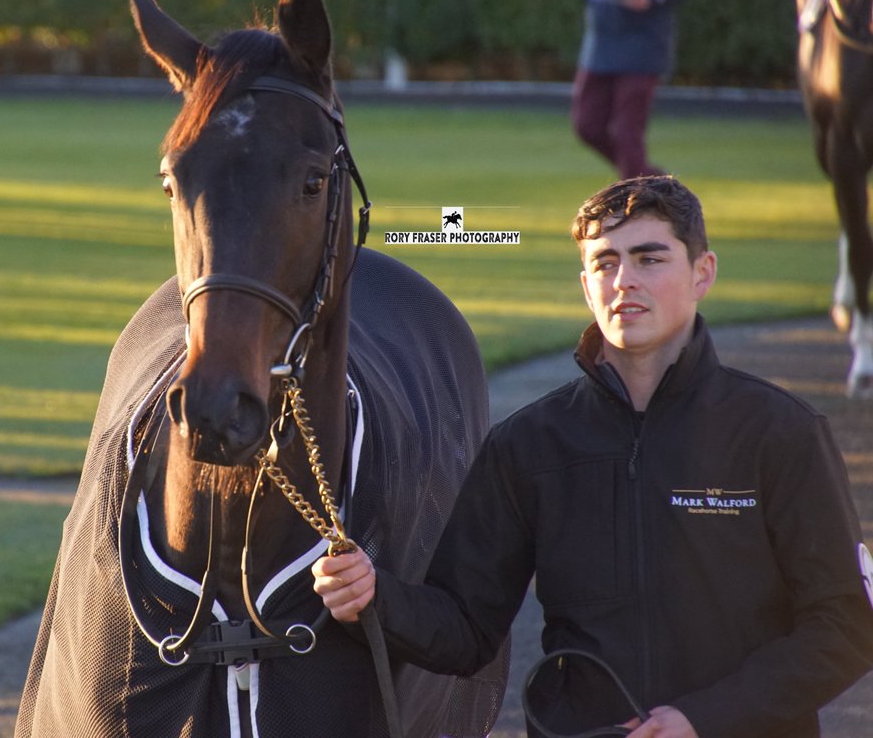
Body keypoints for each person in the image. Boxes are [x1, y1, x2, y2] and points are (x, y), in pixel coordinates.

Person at [314, 175, 873, 737]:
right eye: (606, 263)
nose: (624, 280)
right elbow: (465, 629)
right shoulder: (529, 443)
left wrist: (702, 720)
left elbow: (846, 626)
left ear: (702, 273)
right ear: (587, 286)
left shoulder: (781, 431)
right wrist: (374, 596)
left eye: (650, 258)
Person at [545, 0, 702, 179]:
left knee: (627, 132)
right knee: (588, 125)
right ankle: (652, 182)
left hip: (644, 42)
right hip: (600, 41)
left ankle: (639, 193)